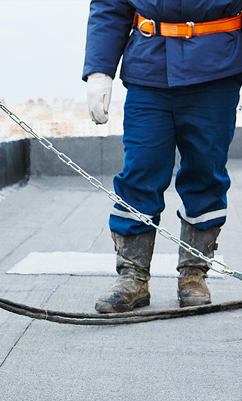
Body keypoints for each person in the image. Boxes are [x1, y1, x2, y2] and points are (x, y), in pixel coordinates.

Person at [84, 1, 242, 313]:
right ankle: (133, 276)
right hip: (149, 69)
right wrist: (99, 69)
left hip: (217, 68)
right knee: (141, 170)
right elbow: (111, 5)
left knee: (205, 173)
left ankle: (194, 273)